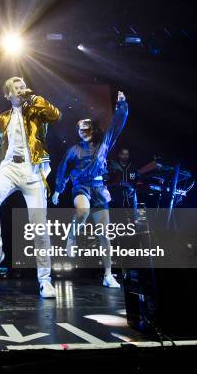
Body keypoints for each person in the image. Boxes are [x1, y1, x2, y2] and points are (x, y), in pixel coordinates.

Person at [0, 77, 62, 298]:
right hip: (8, 167)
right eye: (17, 88)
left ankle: (45, 280)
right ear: (8, 95)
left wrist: (34, 97)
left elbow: (56, 115)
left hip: (32, 169)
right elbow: (1, 145)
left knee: (39, 226)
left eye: (23, 86)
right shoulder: (2, 118)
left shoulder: (36, 110)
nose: (21, 90)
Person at [52, 91, 128, 288]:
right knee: (82, 211)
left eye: (86, 128)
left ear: (92, 130)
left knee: (104, 235)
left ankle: (108, 275)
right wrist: (58, 190)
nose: (82, 131)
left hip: (99, 188)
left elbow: (116, 127)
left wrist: (121, 106)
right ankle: (72, 236)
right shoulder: (73, 150)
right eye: (79, 129)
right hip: (81, 187)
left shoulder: (104, 144)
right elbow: (63, 169)